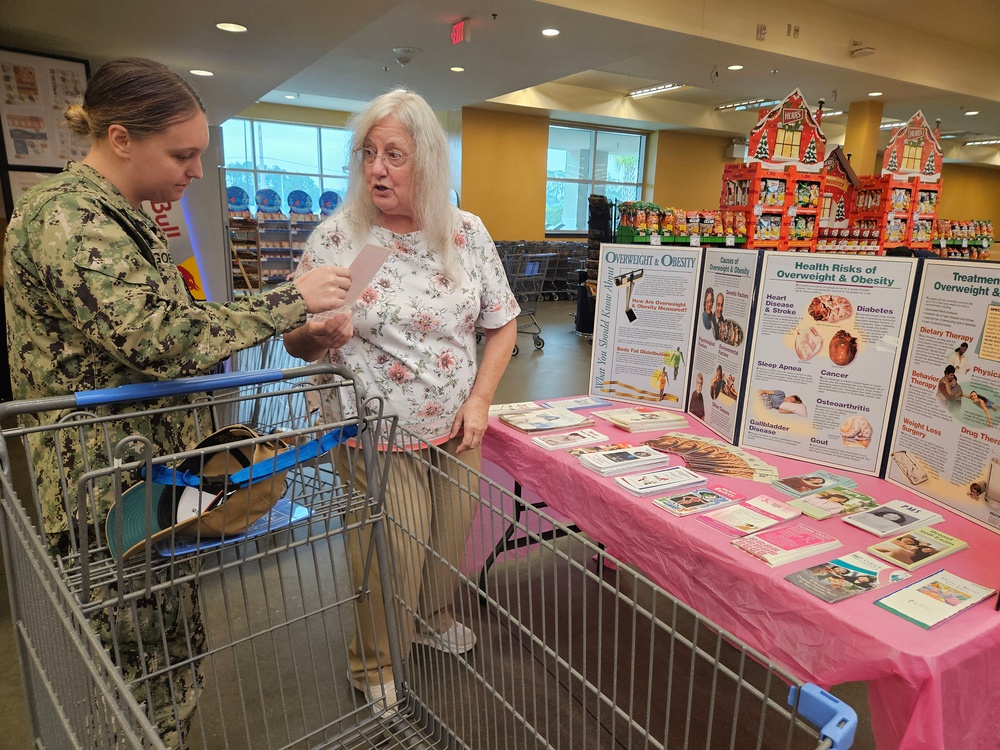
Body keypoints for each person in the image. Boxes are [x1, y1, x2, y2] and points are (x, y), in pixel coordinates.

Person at [3, 58, 352, 747]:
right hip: (101, 485)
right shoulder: (68, 219)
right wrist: (289, 301)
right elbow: (156, 337)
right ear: (122, 138)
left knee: (169, 649)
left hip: (148, 471)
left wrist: (290, 325)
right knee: (136, 666)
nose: (195, 171)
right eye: (183, 154)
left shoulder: (119, 217)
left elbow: (167, 326)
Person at [282, 88, 519, 708]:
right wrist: (314, 332)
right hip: (376, 431)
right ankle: (374, 662)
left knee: (447, 541)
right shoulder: (343, 240)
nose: (377, 169)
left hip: (456, 421)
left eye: (395, 155)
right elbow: (294, 342)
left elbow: (502, 322)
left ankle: (432, 619)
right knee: (392, 553)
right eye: (369, 153)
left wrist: (481, 399)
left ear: (430, 164)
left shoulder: (463, 233)